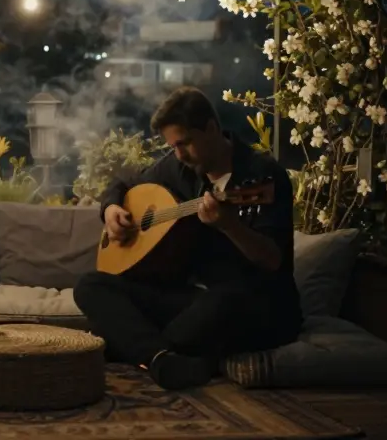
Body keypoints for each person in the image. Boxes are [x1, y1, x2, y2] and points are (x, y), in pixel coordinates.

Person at [73, 86, 302, 390]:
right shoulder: (179, 168)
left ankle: (145, 350)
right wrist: (111, 209)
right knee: (90, 285)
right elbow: (123, 183)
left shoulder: (262, 175)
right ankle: (162, 358)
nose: (179, 154)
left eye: (185, 143)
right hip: (194, 298)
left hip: (255, 303)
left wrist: (230, 226)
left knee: (219, 303)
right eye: (173, 146)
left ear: (211, 129)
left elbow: (272, 260)